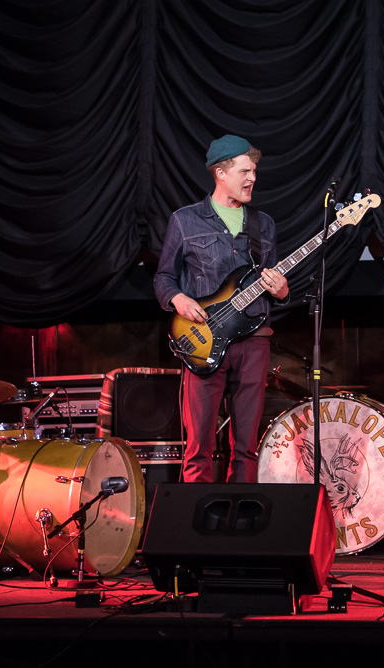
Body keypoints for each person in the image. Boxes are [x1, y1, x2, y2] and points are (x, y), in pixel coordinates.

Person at [154, 135, 288, 483]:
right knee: (198, 443)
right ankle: (195, 515)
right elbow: (164, 277)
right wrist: (179, 299)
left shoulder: (264, 224)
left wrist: (282, 290)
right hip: (202, 340)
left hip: (254, 339)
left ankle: (243, 510)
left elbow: (273, 280)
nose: (253, 178)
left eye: (254, 171)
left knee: (247, 445)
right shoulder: (185, 220)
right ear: (221, 173)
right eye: (245, 171)